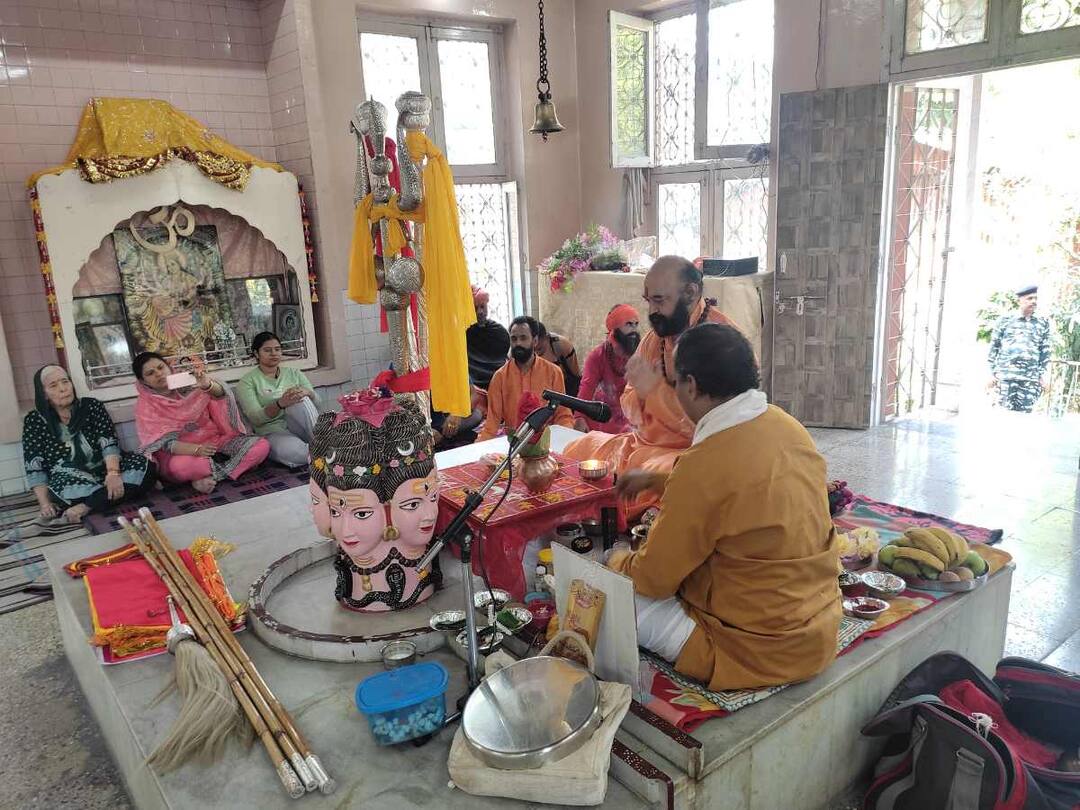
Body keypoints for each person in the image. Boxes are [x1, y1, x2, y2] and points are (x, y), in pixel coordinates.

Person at [608, 323, 841, 691]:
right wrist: (659, 482)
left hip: (754, 648)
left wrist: (616, 559)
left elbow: (653, 580)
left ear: (692, 386)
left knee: (607, 598)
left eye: (675, 383)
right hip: (818, 629)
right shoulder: (789, 427)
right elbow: (746, 494)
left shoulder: (704, 465)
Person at [563, 256, 736, 517]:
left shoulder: (721, 341)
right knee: (582, 448)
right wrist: (641, 396)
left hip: (689, 454)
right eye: (648, 301)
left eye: (659, 300)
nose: (651, 312)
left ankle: (649, 513)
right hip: (642, 444)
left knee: (666, 476)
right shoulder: (655, 339)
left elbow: (715, 423)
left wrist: (655, 392)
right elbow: (629, 398)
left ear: (690, 293)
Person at [23, 365, 156, 523]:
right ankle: (109, 497)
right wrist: (45, 505)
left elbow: (109, 442)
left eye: (65, 382)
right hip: (71, 478)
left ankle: (86, 506)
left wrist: (113, 473)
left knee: (146, 466)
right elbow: (34, 465)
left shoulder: (91, 406)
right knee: (59, 490)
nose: (63, 388)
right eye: (53, 385)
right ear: (43, 394)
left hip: (105, 469)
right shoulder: (35, 420)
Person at [133, 352, 270, 494]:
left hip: (215, 441)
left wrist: (207, 385)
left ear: (168, 367)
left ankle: (211, 477)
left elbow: (220, 395)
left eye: (161, 367)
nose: (158, 374)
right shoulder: (146, 406)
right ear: (143, 381)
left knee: (261, 446)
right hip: (181, 453)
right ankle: (225, 467)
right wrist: (197, 450)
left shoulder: (189, 382)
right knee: (185, 467)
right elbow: (165, 444)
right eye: (150, 373)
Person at [476, 316, 574, 441]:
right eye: (514, 339)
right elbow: (491, 425)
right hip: (515, 445)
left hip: (546, 443)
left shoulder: (553, 372)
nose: (518, 344)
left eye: (523, 338)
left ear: (535, 341)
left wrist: (561, 442)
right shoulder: (500, 377)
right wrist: (477, 451)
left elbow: (563, 415)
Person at [235, 331, 320, 468]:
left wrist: (308, 393)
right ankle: (325, 455)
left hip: (301, 428)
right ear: (256, 354)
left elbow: (317, 405)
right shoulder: (247, 382)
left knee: (301, 399)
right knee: (299, 452)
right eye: (267, 350)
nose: (274, 354)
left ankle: (321, 443)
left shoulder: (294, 373)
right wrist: (280, 404)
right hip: (272, 432)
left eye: (277, 349)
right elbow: (256, 418)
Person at [574, 303, 640, 433]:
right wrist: (579, 418)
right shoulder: (597, 356)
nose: (634, 329)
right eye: (628, 324)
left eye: (636, 324)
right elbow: (585, 390)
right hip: (602, 424)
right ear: (614, 328)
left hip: (632, 426)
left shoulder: (642, 353)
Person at [988, 284, 1051, 413]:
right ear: (1020, 300)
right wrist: (991, 373)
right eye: (1029, 298)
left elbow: (1045, 351)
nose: (1033, 302)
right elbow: (994, 347)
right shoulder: (1005, 320)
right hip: (1006, 378)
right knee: (1002, 416)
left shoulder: (1042, 323)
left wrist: (1042, 376)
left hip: (1030, 380)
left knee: (1025, 420)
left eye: (1035, 298)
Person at [465, 285, 511, 391]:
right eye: (475, 308)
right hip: (474, 389)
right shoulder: (464, 334)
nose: (480, 312)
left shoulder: (498, 332)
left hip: (500, 384)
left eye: (482, 307)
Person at [537, 321, 581, 397]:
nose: (536, 354)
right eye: (532, 350)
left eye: (539, 349)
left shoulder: (562, 346)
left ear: (546, 338)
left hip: (564, 391)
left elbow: (575, 376)